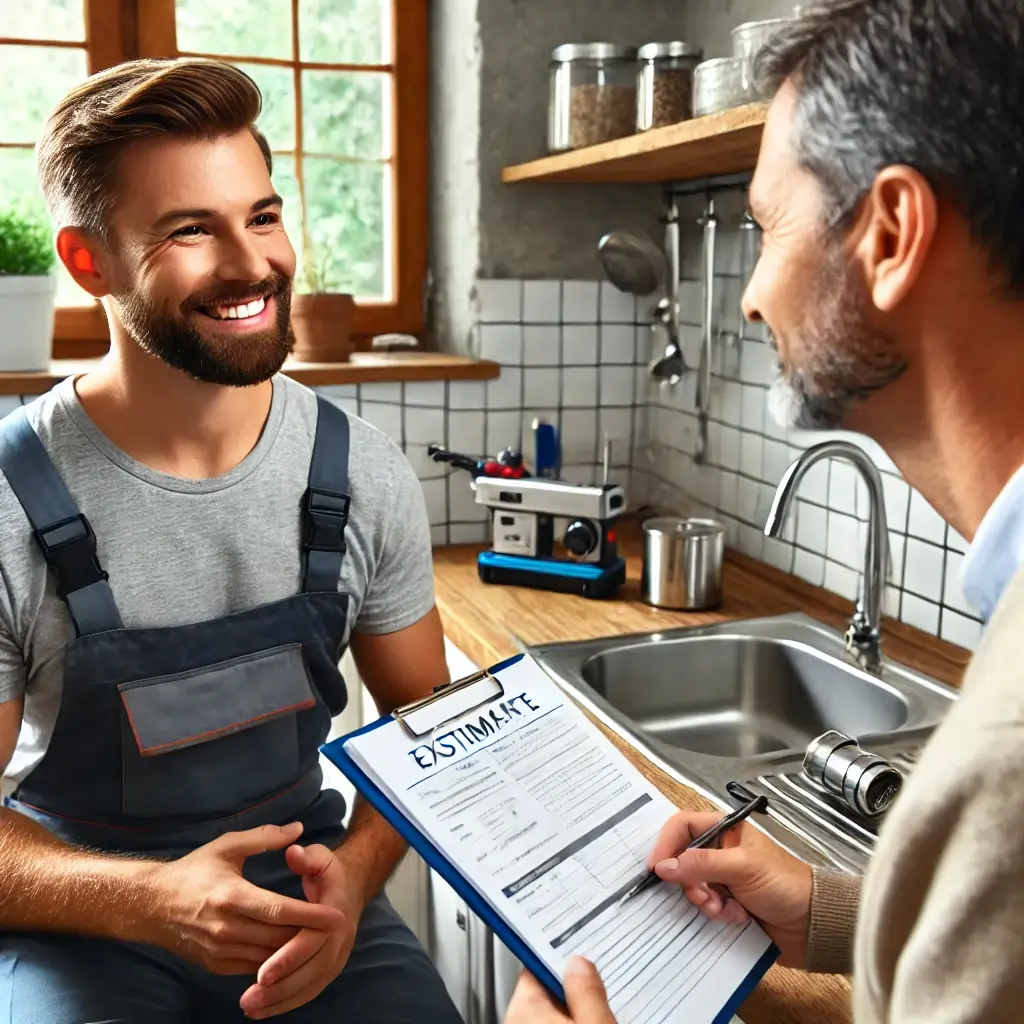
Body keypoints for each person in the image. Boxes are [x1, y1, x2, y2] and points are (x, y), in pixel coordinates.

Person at [506, 0, 1024, 1021]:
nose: (749, 295)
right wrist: (833, 912)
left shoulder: (1003, 761)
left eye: (764, 227)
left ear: (889, 233)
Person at [0, 57, 462, 1023]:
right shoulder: (9, 503)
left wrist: (355, 876)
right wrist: (148, 900)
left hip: (307, 906)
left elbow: (434, 733)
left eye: (261, 216)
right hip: (86, 924)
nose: (253, 264)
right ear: (91, 264)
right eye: (189, 231)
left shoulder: (363, 474)